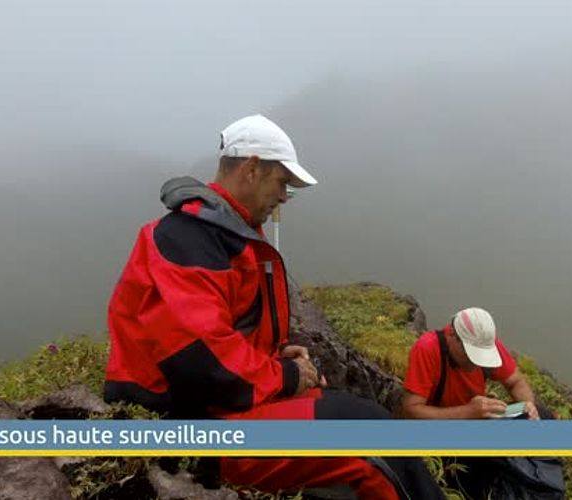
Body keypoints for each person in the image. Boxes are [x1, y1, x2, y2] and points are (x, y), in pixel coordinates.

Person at [104, 114, 445, 499]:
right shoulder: (187, 238)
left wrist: (275, 356)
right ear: (251, 168)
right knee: (368, 435)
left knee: (362, 416)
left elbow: (217, 336)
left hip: (210, 407)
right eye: (282, 182)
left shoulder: (222, 235)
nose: (285, 196)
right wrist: (285, 375)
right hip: (183, 424)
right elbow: (200, 360)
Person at [401, 307, 564, 500]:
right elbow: (410, 411)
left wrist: (528, 405)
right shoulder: (428, 349)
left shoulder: (486, 343)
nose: (474, 363)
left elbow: (516, 382)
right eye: (470, 354)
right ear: (452, 336)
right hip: (443, 431)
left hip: (479, 419)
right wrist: (467, 412)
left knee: (541, 417)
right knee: (472, 475)